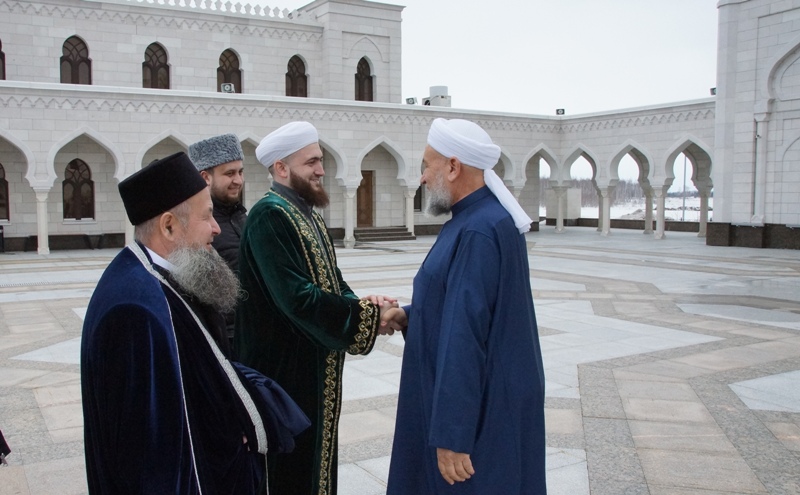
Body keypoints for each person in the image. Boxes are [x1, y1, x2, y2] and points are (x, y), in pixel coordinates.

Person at [81, 152, 308, 494]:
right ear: (169, 226)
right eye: (207, 216)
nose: (216, 227)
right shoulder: (135, 309)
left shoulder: (163, 277)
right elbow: (151, 456)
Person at [382, 118, 547, 494]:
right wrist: (411, 316)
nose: (422, 178)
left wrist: (452, 434)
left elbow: (465, 335)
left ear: (453, 167)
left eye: (427, 165)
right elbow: (459, 305)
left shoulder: (476, 230)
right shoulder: (479, 221)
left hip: (481, 413)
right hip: (488, 402)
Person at [236, 121, 393, 495]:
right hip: (284, 375)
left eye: (320, 160)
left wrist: (362, 304)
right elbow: (299, 299)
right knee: (291, 473)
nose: (321, 170)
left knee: (315, 466)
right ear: (281, 168)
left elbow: (332, 282)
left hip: (311, 370)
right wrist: (370, 319)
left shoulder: (309, 215)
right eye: (311, 162)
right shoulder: (269, 215)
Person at [189, 133, 247, 348]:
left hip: (252, 337)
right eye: (230, 173)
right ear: (206, 177)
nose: (238, 180)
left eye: (240, 172)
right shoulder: (194, 226)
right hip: (222, 341)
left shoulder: (243, 218)